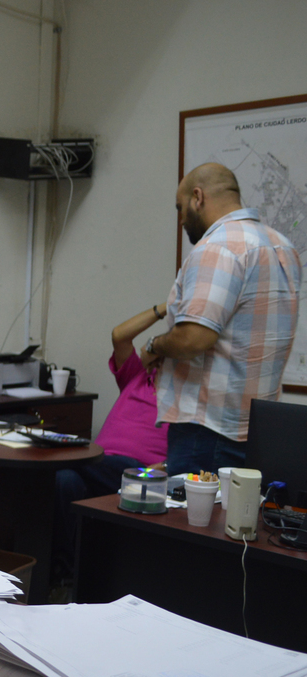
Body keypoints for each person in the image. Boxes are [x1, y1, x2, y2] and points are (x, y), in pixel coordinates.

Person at [143, 163, 302, 476]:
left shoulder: (218, 247)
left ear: (197, 197)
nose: (181, 219)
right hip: (257, 431)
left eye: (180, 207)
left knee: (194, 510)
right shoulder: (283, 246)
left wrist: (154, 346)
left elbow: (193, 339)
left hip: (207, 432)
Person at [53, 304, 170, 581]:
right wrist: (165, 307)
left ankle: (62, 455)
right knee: (64, 479)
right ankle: (64, 577)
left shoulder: (187, 398)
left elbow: (190, 452)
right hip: (98, 464)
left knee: (76, 458)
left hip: (138, 473)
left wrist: (165, 467)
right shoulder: (138, 376)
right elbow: (120, 335)